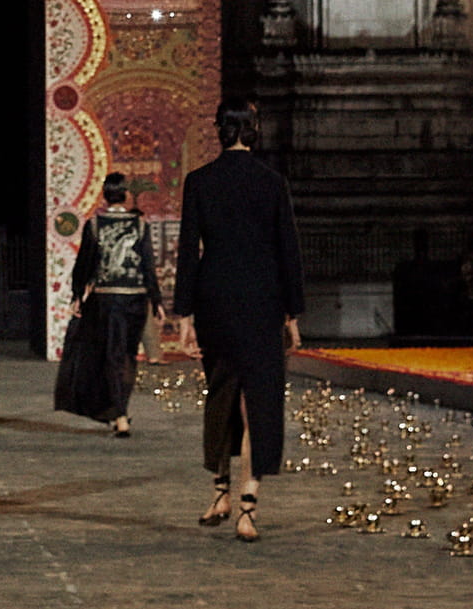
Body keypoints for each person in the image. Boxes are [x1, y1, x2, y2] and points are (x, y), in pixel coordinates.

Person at [173, 98, 305, 541]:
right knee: (259, 402)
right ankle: (248, 505)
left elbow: (188, 250)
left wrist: (185, 314)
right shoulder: (272, 182)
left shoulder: (199, 181)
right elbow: (288, 251)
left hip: (215, 300)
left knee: (222, 395)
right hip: (263, 301)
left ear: (219, 130)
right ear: (253, 129)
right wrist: (293, 314)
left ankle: (221, 492)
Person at [54, 171, 164, 435]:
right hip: (135, 298)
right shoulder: (139, 225)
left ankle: (119, 414)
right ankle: (120, 410)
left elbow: (84, 264)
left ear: (105, 196)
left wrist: (77, 295)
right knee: (127, 356)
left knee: (110, 356)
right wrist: (156, 299)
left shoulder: (95, 224)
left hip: (106, 299)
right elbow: (147, 265)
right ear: (125, 195)